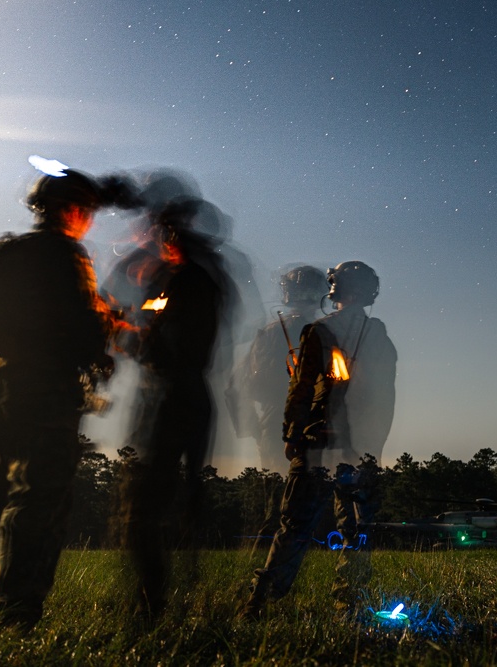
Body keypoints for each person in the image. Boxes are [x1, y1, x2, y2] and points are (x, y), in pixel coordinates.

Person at [0, 167, 117, 631]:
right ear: (72, 209)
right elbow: (78, 330)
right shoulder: (64, 256)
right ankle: (15, 615)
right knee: (36, 502)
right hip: (41, 388)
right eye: (87, 209)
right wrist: (107, 325)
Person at [241, 260, 397, 620]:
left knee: (294, 526)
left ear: (337, 289)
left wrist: (291, 435)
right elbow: (385, 399)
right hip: (360, 450)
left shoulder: (319, 332)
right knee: (356, 530)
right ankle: (350, 603)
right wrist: (374, 448)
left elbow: (300, 390)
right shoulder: (380, 337)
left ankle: (258, 604)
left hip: (319, 443)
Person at [117, 196, 236, 622]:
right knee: (179, 500)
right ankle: (171, 595)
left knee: (143, 504)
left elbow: (158, 345)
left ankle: (150, 604)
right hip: (189, 395)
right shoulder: (204, 278)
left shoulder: (184, 281)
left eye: (164, 230)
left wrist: (126, 331)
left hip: (169, 397)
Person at [230, 265, 328, 535]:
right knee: (313, 497)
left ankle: (270, 552)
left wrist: (253, 427)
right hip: (317, 421)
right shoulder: (328, 332)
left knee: (276, 497)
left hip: (276, 421)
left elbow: (241, 384)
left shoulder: (271, 332)